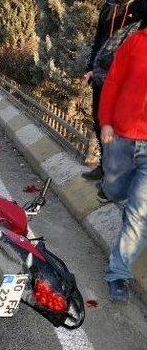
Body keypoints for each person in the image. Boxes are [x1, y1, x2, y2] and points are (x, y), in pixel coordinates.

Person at [98, 17, 147, 303]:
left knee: (139, 213)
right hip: (121, 136)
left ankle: (118, 273)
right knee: (114, 190)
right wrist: (106, 121)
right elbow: (114, 81)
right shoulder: (135, 42)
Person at [82, 0, 146, 181]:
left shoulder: (142, 7)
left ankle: (121, 174)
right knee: (100, 117)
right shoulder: (108, 5)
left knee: (121, 124)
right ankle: (103, 165)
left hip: (128, 79)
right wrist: (91, 67)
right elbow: (98, 39)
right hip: (102, 74)